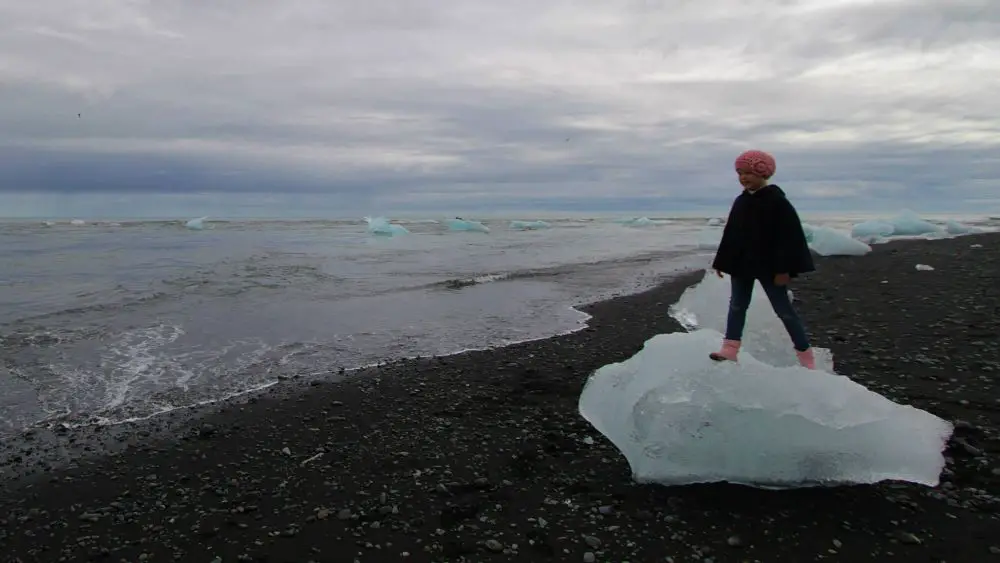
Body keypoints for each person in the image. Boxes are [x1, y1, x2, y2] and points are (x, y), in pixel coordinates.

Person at [709, 149, 817, 369]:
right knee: (737, 306)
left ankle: (806, 356)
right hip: (741, 265)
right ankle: (730, 349)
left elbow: (789, 236)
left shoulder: (777, 202)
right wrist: (721, 262)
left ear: (764, 173)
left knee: (784, 311)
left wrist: (784, 269)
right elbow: (731, 233)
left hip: (771, 267)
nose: (743, 177)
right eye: (740, 172)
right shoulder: (740, 202)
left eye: (749, 172)